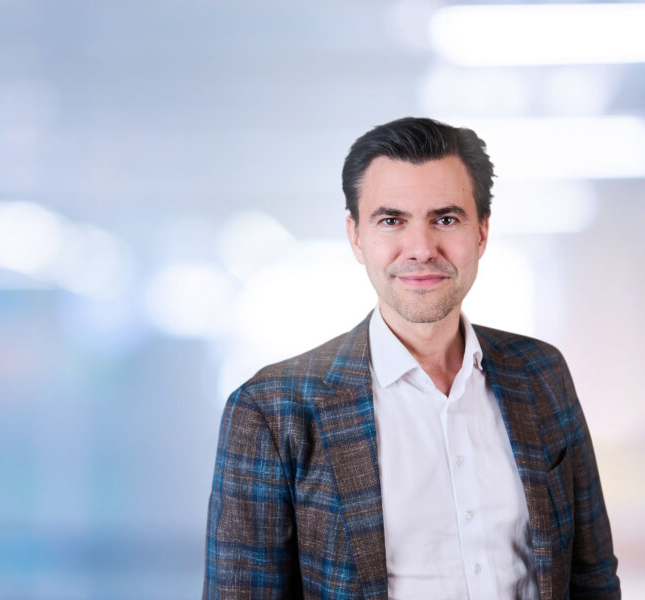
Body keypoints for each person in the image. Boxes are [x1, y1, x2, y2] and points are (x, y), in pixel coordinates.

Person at [203, 117, 620, 599]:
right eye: (391, 221)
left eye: (446, 219)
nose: (421, 249)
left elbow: (593, 579)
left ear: (482, 232)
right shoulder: (272, 410)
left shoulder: (541, 372)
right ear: (356, 236)